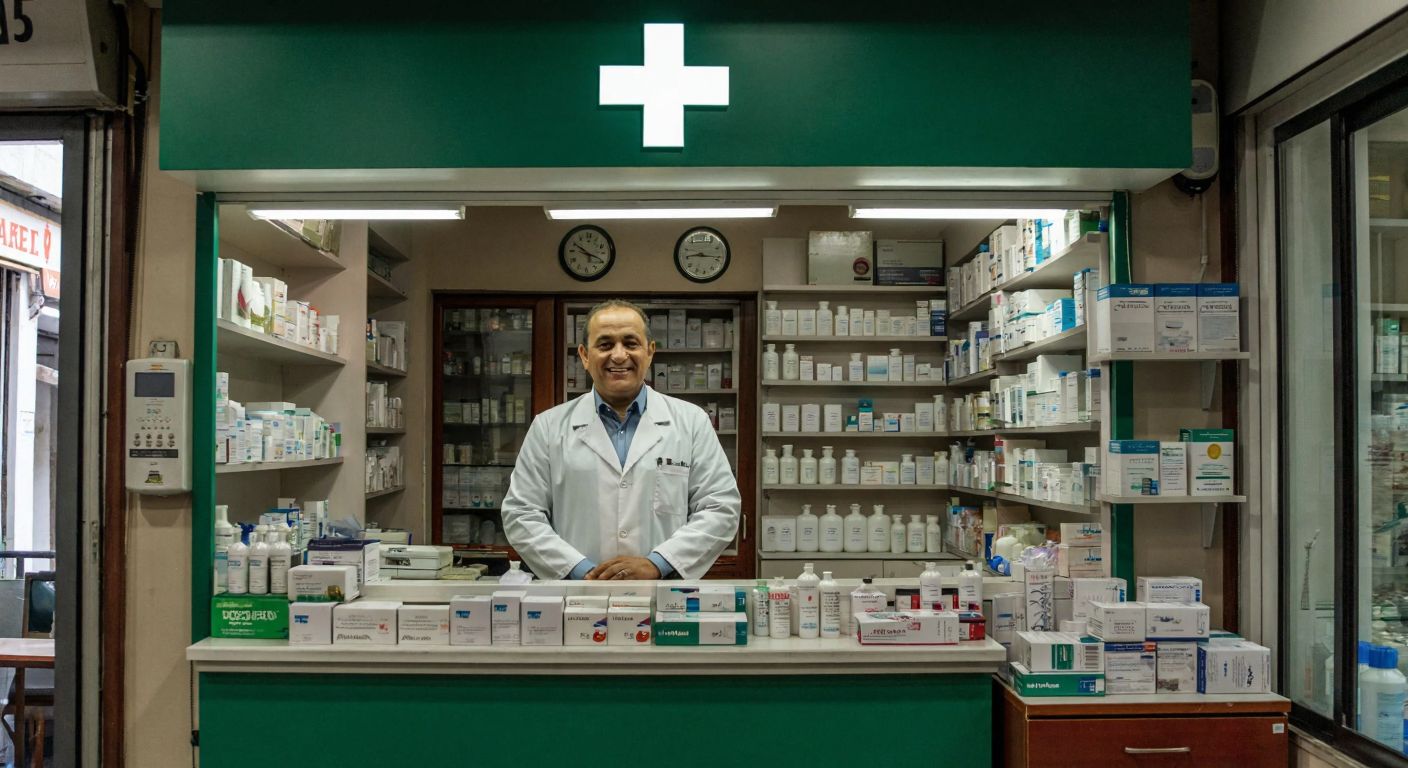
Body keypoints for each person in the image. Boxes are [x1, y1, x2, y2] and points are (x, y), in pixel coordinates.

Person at [501, 299, 741, 580]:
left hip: (661, 598)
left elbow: (720, 508)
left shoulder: (691, 422)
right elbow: (521, 514)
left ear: (650, 352)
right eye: (605, 345)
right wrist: (580, 571)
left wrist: (658, 563)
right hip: (578, 597)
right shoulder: (549, 427)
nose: (618, 355)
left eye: (631, 343)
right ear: (584, 356)